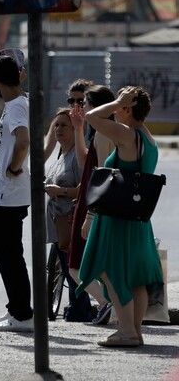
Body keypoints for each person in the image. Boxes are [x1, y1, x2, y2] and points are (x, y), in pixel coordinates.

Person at [75, 86, 164, 347]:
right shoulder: (148, 138)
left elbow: (92, 117)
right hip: (137, 218)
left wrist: (115, 102)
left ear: (128, 108)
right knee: (135, 277)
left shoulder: (127, 134)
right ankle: (134, 331)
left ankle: (125, 331)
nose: (116, 110)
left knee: (110, 270)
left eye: (122, 105)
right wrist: (120, 103)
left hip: (117, 216)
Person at [0, 55, 33, 332]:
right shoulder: (19, 102)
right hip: (9, 194)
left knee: (7, 254)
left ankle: (22, 315)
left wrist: (14, 168)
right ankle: (17, 310)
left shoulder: (16, 106)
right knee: (7, 252)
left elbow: (23, 141)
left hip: (9, 193)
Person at [67, 85, 117, 325]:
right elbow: (83, 161)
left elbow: (106, 176)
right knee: (86, 263)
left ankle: (107, 304)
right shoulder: (99, 132)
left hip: (94, 205)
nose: (82, 108)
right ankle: (109, 305)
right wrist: (79, 130)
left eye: (85, 103)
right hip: (90, 203)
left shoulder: (106, 134)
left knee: (77, 265)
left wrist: (91, 213)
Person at [44, 108, 89, 321]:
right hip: (57, 222)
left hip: (70, 222)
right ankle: (77, 309)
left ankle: (80, 311)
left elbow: (86, 187)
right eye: (56, 125)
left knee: (73, 270)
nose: (59, 129)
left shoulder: (76, 157)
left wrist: (60, 191)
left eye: (64, 125)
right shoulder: (61, 155)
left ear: (75, 130)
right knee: (66, 267)